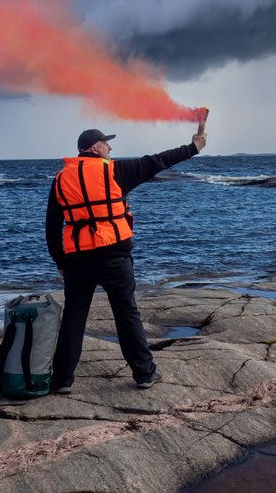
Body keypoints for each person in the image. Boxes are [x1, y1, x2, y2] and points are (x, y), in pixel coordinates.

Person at [46, 126, 207, 393]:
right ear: (94, 148)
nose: (111, 148)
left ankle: (63, 381)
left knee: (74, 317)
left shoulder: (60, 179)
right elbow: (157, 161)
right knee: (126, 314)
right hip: (114, 257)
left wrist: (60, 262)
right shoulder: (115, 171)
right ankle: (144, 374)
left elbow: (52, 226)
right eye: (106, 144)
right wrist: (193, 147)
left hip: (77, 260)